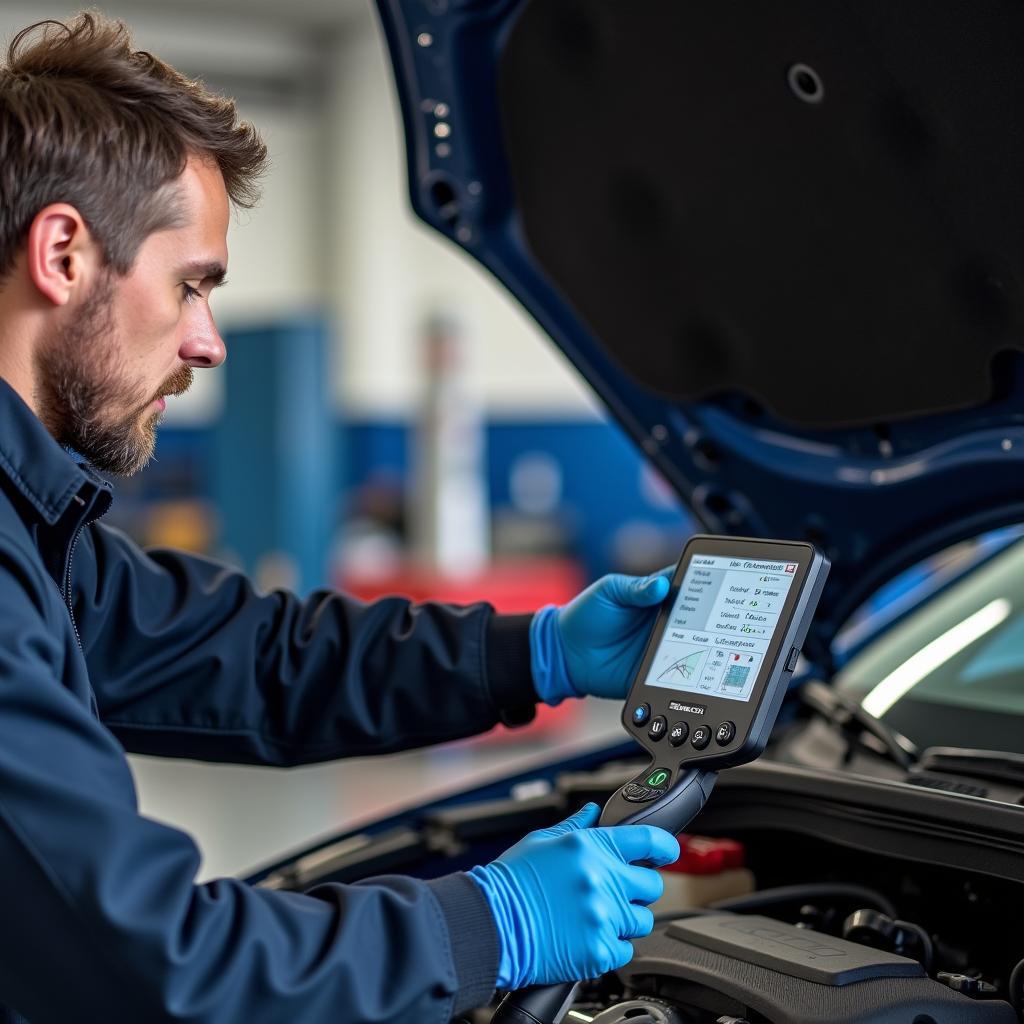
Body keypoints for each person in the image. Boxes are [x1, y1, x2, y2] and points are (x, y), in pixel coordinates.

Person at [0, 14, 679, 1024]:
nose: (207, 342)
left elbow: (254, 656)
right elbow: (146, 965)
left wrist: (531, 652)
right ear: (62, 253)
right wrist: (486, 924)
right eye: (190, 285)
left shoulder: (35, 524)